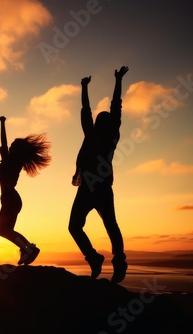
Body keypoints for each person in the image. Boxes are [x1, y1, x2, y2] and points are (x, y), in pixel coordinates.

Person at [68, 66, 129, 283]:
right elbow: (115, 107)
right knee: (109, 225)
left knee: (77, 226)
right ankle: (109, 260)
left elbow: (88, 110)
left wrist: (84, 87)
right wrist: (118, 80)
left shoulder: (95, 134)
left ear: (98, 124)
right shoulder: (112, 133)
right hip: (98, 186)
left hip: (93, 187)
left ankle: (98, 258)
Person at [0, 116, 51, 265]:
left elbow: (3, 142)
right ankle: (28, 248)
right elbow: (5, 144)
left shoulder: (11, 160)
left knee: (3, 231)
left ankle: (29, 248)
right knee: (6, 231)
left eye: (13, 145)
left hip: (10, 198)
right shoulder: (13, 161)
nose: (10, 145)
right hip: (10, 199)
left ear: (16, 150)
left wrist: (2, 123)